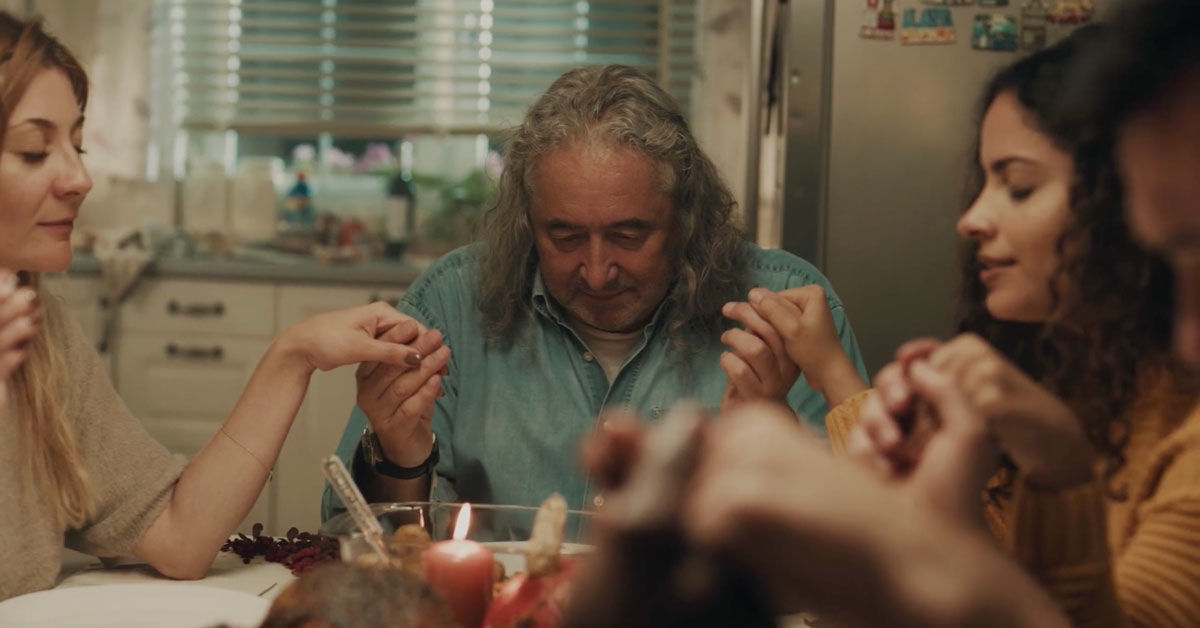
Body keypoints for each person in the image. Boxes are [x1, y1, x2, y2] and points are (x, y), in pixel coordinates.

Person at [0, 13, 434, 600]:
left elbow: (179, 536)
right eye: (33, 151)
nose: (80, 177)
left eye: (76, 144)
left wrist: (293, 354)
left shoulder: (41, 335)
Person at [323, 64, 867, 521]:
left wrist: (770, 428)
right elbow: (353, 529)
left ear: (687, 219)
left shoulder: (783, 305)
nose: (599, 272)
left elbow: (865, 553)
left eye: (630, 236)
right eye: (564, 236)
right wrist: (399, 461)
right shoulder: (451, 304)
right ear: (526, 222)